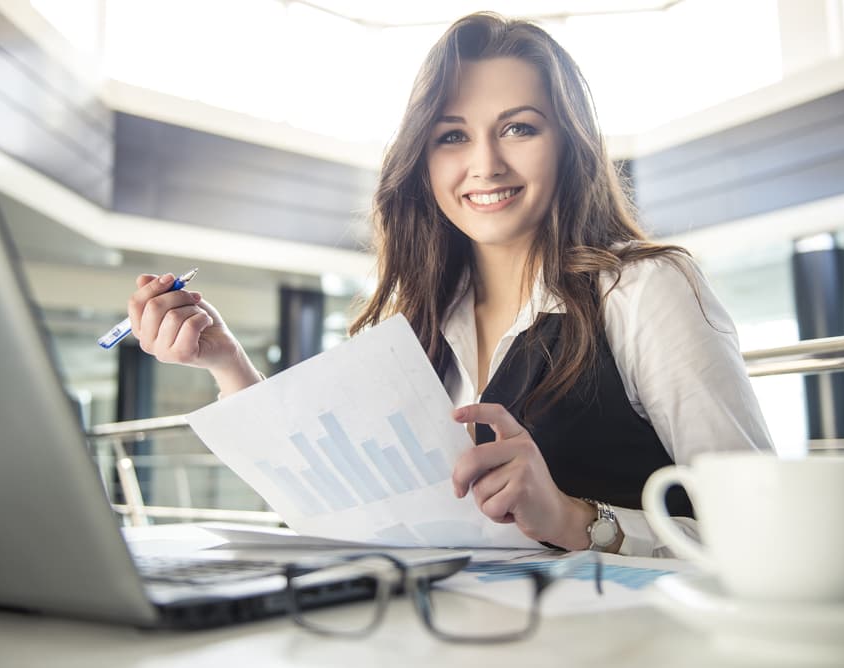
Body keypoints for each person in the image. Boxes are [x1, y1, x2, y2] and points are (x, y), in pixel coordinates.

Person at [126, 12, 773, 557]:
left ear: (568, 144)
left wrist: (578, 520)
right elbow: (340, 499)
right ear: (423, 160)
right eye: (452, 136)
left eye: (519, 128)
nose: (485, 164)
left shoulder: (641, 290)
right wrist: (226, 363)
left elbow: (767, 533)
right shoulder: (416, 326)